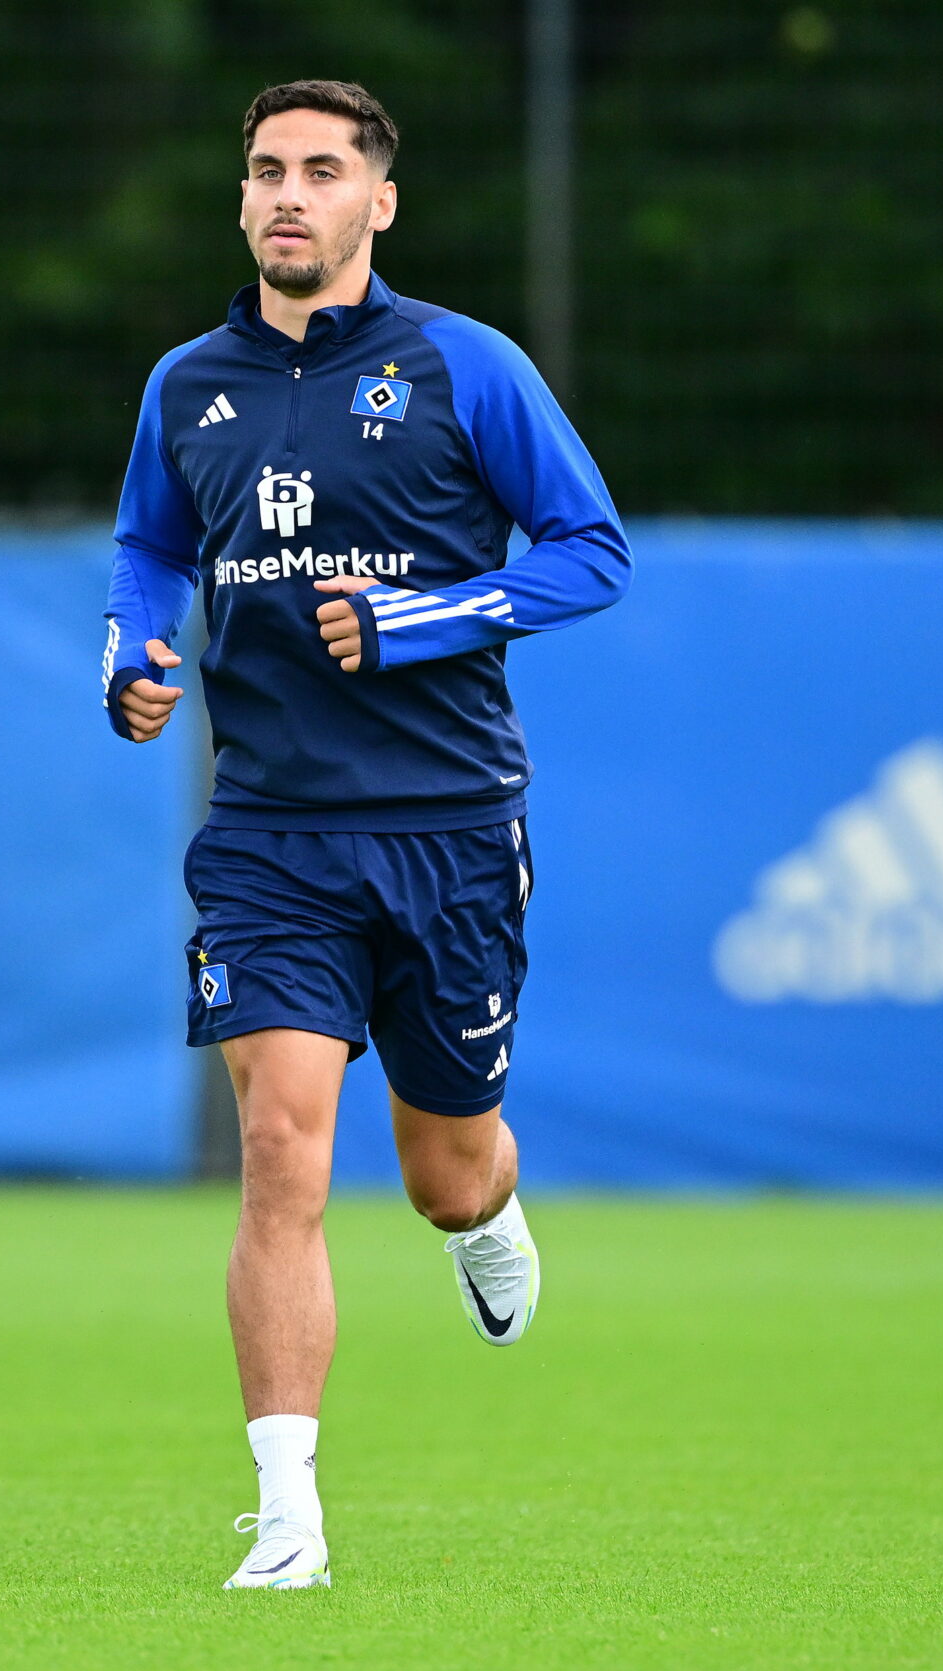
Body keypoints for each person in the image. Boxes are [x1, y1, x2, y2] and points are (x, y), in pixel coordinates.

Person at [102, 78, 630, 1591]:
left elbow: (594, 554)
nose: (288, 195)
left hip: (451, 828)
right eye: (265, 170)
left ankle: (488, 1213)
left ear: (377, 203)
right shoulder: (185, 385)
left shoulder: (465, 365)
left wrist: (421, 618)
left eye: (321, 172)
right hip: (268, 834)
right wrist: (131, 656)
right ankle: (288, 1518)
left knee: (444, 1167)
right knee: (279, 1153)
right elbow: (151, 545)